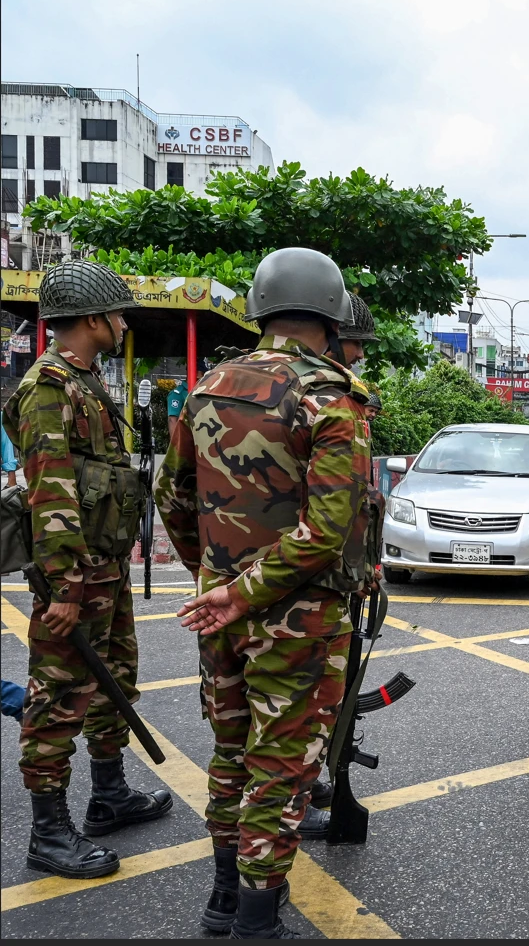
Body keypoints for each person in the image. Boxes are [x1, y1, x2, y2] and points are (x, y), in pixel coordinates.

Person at [155, 247, 372, 938]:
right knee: (280, 768)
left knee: (230, 752)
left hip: (222, 610)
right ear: (333, 313)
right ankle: (255, 919)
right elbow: (327, 529)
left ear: (261, 307)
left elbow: (171, 495)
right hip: (299, 618)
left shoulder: (210, 384)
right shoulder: (330, 396)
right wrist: (248, 592)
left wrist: (216, 581)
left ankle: (223, 899)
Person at [1, 260, 173, 880]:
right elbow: (50, 493)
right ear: (94, 318)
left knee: (115, 680)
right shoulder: (49, 388)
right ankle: (48, 834)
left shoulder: (85, 381)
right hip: (75, 576)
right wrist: (65, 587)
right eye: (118, 313)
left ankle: (108, 795)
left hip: (104, 570)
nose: (124, 322)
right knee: (57, 698)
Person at [297, 289, 383, 841]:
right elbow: (331, 515)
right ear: (331, 335)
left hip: (325, 578)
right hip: (312, 584)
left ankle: (308, 781)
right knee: (298, 710)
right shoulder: (326, 399)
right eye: (353, 345)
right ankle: (294, 796)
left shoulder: (335, 395)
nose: (357, 357)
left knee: (314, 708)